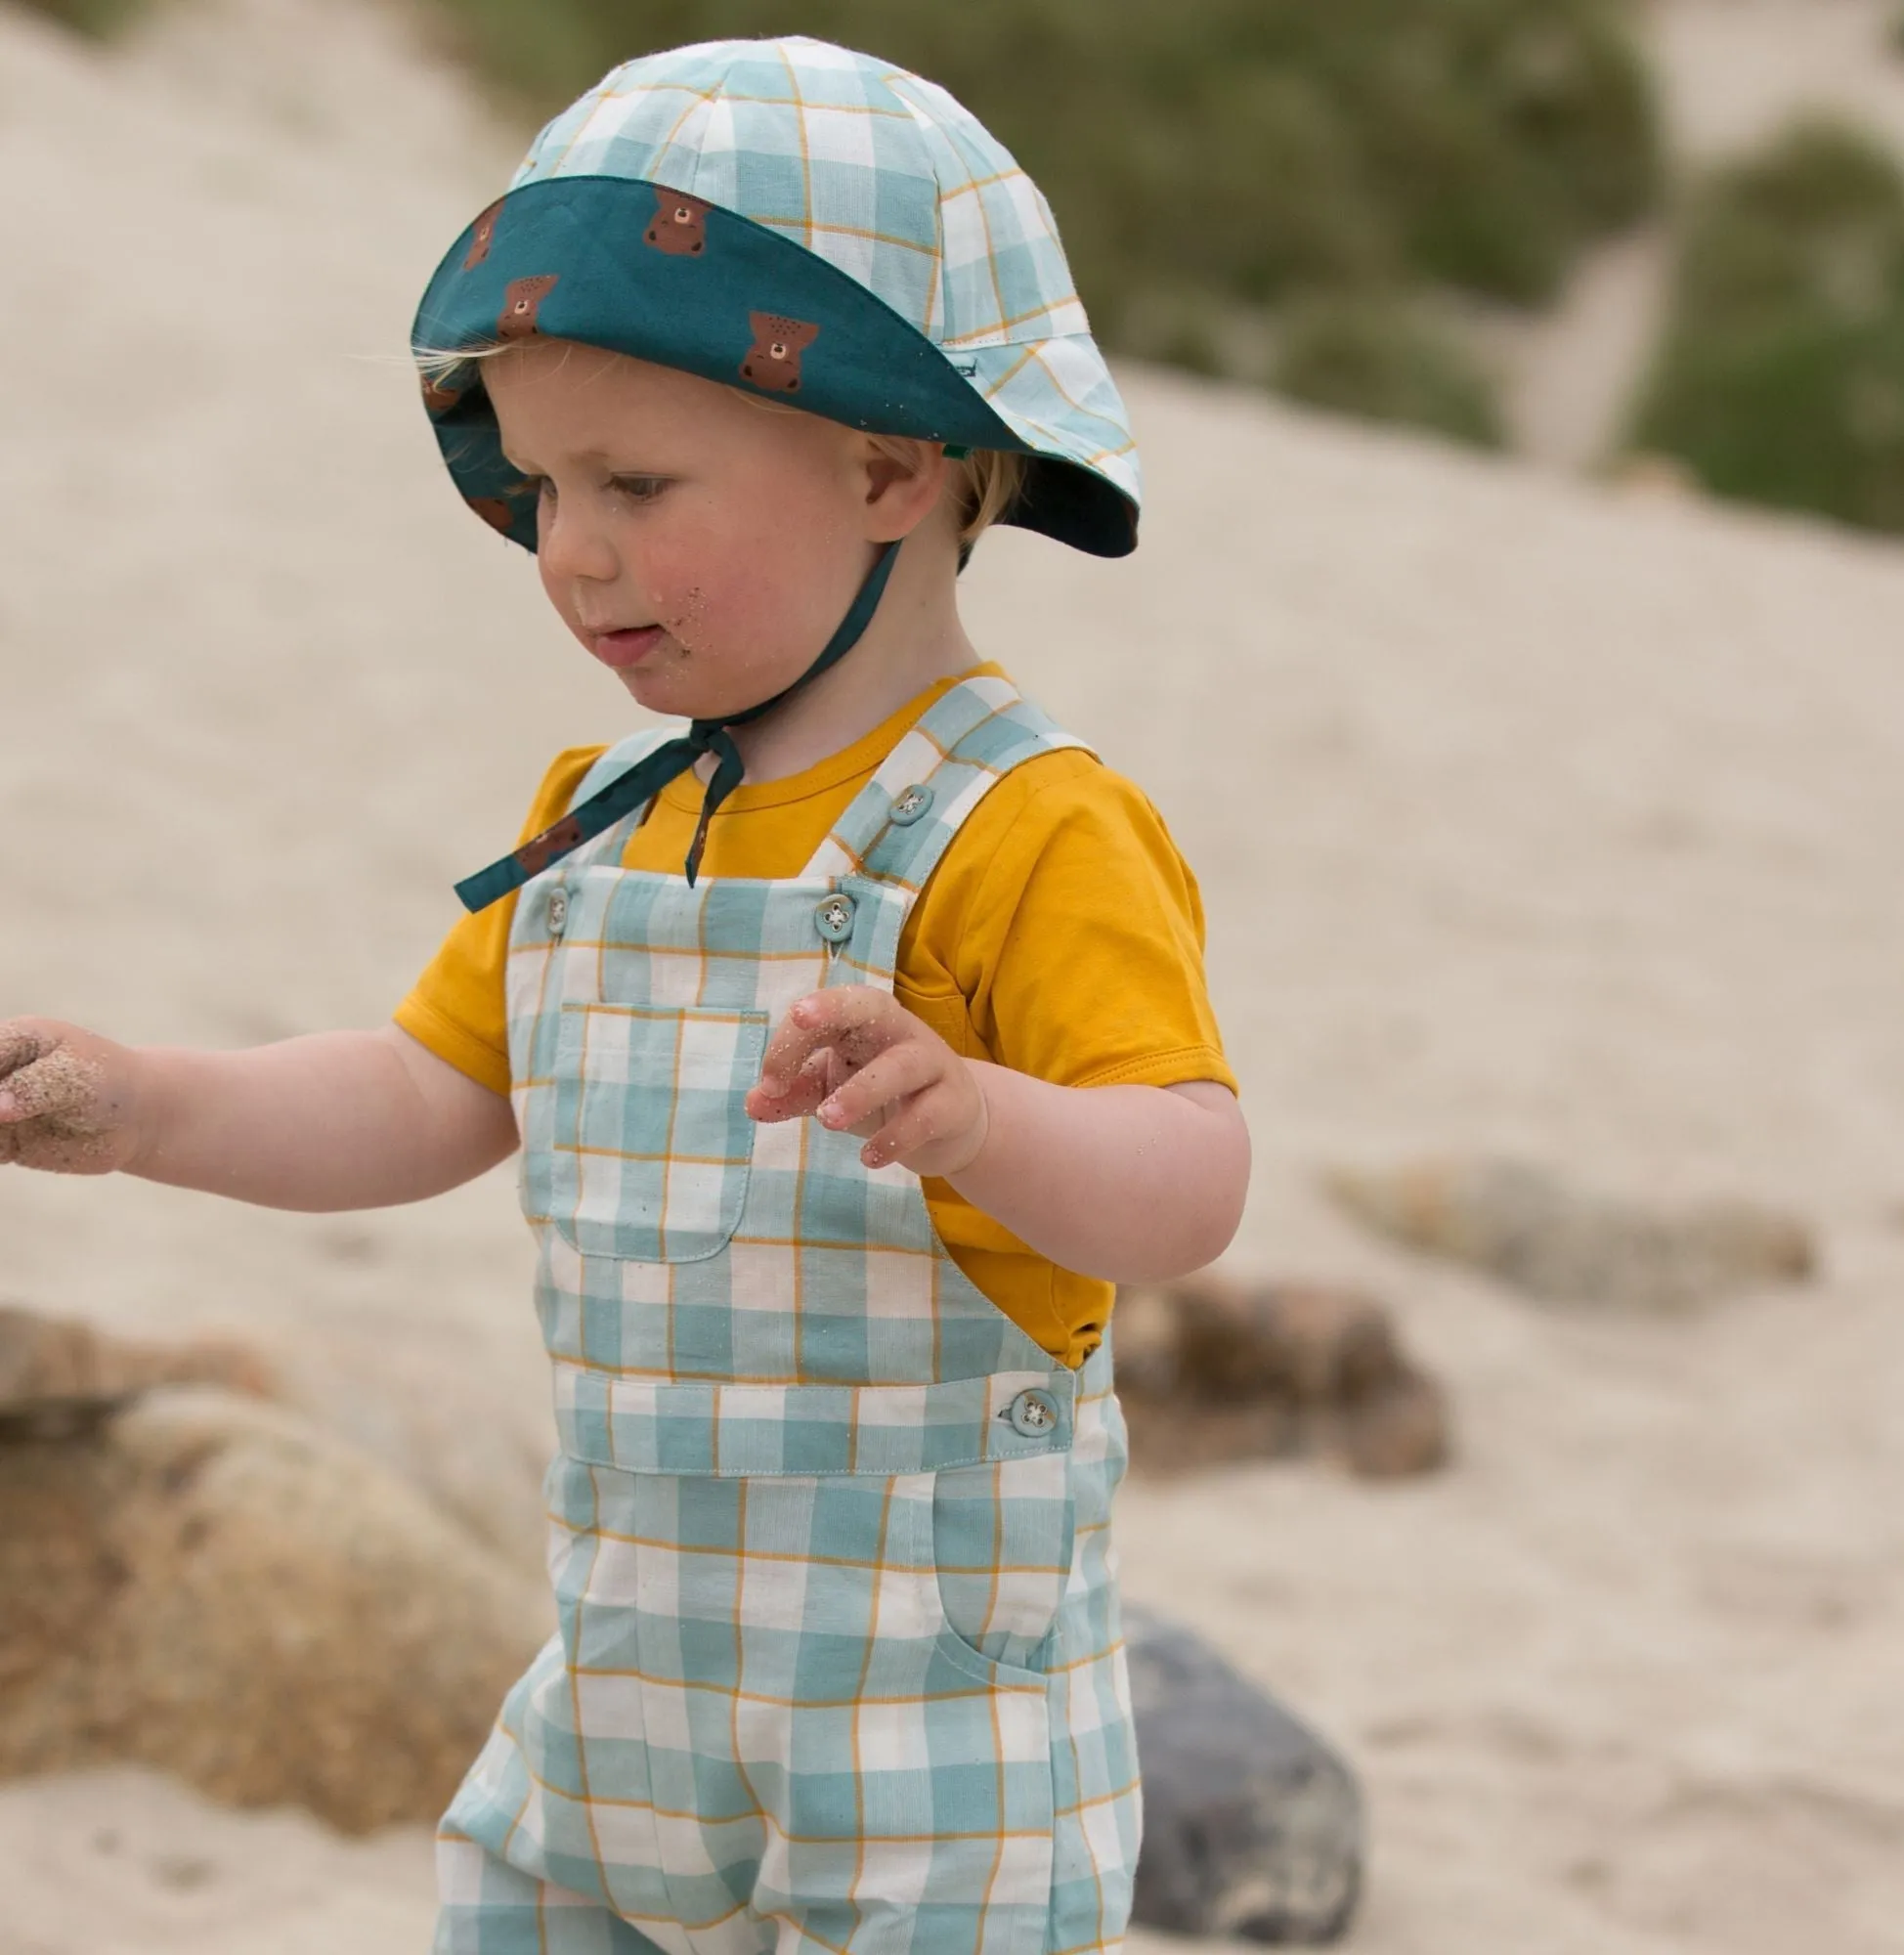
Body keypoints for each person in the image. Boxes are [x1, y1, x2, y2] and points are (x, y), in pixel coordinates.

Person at [0, 35, 1249, 1954]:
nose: (569, 549)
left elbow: (1189, 1177)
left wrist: (981, 1117)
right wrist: (151, 1104)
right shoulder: (592, 825)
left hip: (926, 1701)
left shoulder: (1024, 826)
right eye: (537, 482)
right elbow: (426, 1091)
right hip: (631, 1665)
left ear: (888, 460)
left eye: (636, 483)